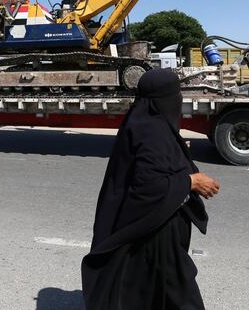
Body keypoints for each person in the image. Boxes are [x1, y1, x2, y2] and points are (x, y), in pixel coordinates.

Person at [81, 68, 220, 310]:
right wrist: (192, 181)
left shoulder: (143, 122)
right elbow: (149, 187)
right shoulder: (154, 132)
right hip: (158, 235)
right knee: (180, 294)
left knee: (144, 287)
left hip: (152, 232)